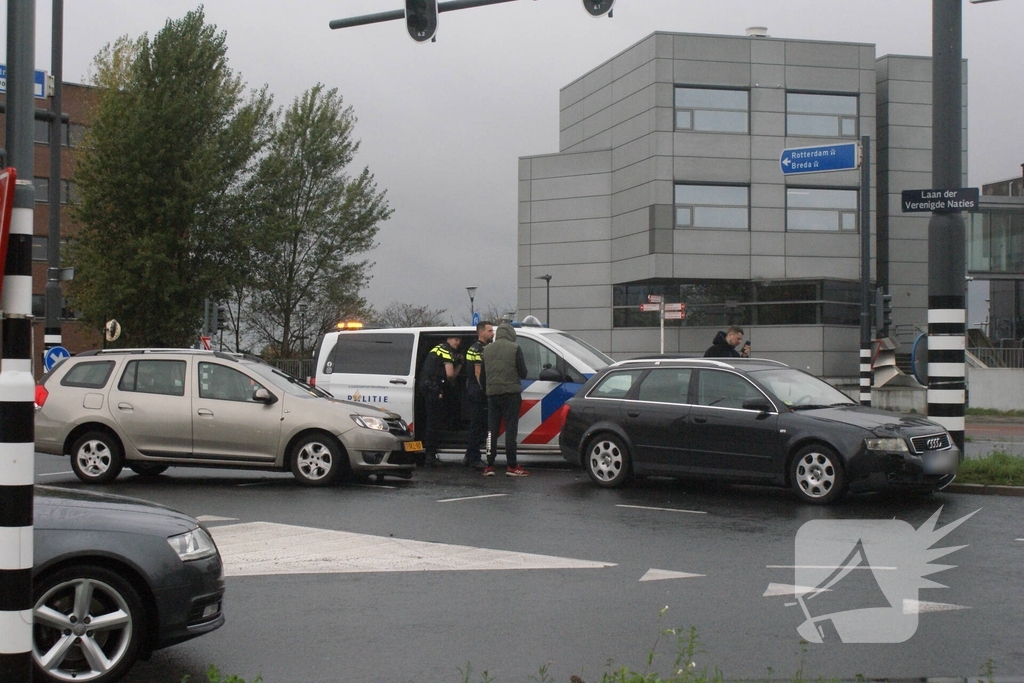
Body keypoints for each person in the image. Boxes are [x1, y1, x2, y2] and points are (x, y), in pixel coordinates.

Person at [481, 322, 529, 477]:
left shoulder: (486, 350)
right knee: (511, 430)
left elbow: (482, 377)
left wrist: (488, 389)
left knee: (491, 431)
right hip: (511, 395)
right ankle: (512, 465)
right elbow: (523, 373)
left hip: (492, 395)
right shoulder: (515, 348)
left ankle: (489, 465)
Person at [419, 335, 463, 466]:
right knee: (433, 422)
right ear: (448, 339)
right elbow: (450, 375)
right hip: (433, 388)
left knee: (431, 420)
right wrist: (460, 364)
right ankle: (430, 456)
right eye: (456, 339)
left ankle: (428, 454)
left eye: (459, 340)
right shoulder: (446, 350)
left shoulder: (438, 349)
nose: (458, 342)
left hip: (428, 387)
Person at [462, 321, 494, 469]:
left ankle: (469, 455)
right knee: (478, 425)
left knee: (479, 425)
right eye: (489, 331)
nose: (492, 333)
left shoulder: (478, 348)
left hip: (475, 390)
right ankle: (474, 458)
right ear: (481, 332)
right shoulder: (477, 349)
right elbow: (477, 372)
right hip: (478, 392)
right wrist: (484, 390)